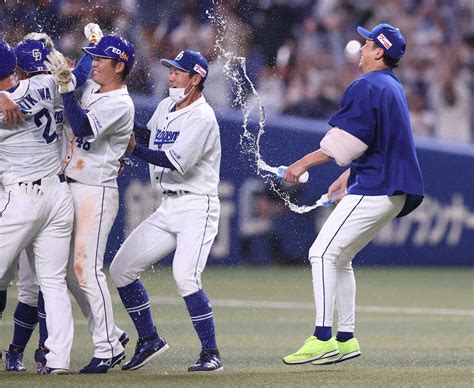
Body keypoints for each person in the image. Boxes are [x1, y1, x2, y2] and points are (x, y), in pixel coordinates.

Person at [281, 23, 424, 365]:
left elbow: (345, 143)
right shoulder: (389, 85)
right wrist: (348, 175)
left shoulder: (368, 84)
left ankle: (322, 337)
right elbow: (377, 141)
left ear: (379, 51)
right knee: (339, 258)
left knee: (321, 254)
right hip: (391, 188)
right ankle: (345, 339)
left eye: (368, 42)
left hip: (378, 186)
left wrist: (302, 163)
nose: (361, 47)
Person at [109, 50, 223, 372]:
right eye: (171, 70)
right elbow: (150, 135)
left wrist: (134, 148)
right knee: (121, 270)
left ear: (195, 79)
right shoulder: (166, 106)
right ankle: (149, 339)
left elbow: (174, 160)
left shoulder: (203, 116)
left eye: (178, 71)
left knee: (185, 276)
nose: (171, 76)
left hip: (197, 204)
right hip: (168, 204)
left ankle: (210, 353)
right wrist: (123, 128)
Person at [45, 32, 136, 373]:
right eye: (94, 58)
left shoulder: (120, 102)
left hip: (95, 191)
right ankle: (110, 333)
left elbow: (82, 127)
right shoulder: (98, 88)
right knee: (68, 273)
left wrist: (67, 87)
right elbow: (82, 74)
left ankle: (108, 348)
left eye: (101, 59)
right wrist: (89, 49)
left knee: (86, 271)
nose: (94, 63)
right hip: (73, 185)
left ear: (119, 66)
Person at [0, 39, 76, 375]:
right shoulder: (48, 83)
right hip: (59, 198)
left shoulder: (6, 107)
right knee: (53, 283)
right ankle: (58, 360)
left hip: (23, 198)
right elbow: (74, 76)